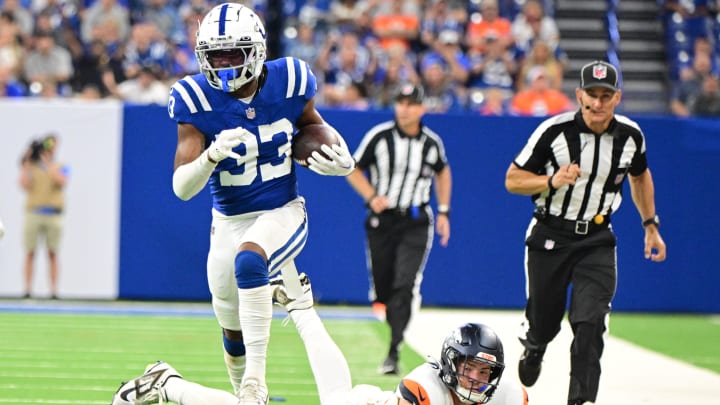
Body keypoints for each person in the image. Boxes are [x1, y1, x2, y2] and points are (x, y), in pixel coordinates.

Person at [167, 3, 355, 404]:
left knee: (250, 260)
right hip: (227, 220)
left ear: (255, 50)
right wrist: (210, 157)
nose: (223, 65)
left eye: (233, 54)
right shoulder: (195, 98)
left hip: (281, 210)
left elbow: (312, 125)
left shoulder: (289, 80)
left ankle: (256, 383)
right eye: (215, 56)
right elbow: (182, 188)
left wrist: (342, 155)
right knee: (230, 328)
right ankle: (244, 395)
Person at [504, 60, 667, 405]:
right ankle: (535, 345)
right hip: (551, 234)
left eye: (605, 95)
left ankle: (581, 400)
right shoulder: (554, 131)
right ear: (579, 95)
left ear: (617, 98)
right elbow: (512, 179)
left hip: (596, 238)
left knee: (591, 321)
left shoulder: (630, 136)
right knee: (545, 321)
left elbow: (639, 176)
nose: (598, 103)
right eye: (591, 95)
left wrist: (650, 225)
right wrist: (551, 180)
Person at [112, 274, 528, 405]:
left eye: (483, 370)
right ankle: (168, 384)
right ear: (450, 364)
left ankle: (301, 307)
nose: (476, 378)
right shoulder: (425, 387)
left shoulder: (510, 394)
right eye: (469, 367)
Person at [346, 83, 452, 375]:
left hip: (416, 221)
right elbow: (353, 167)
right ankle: (390, 311)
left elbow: (443, 171)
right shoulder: (379, 136)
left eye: (410, 103)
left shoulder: (431, 143)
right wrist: (371, 196)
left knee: (404, 284)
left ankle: (394, 350)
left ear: (421, 108)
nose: (404, 108)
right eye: (400, 102)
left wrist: (443, 210)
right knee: (384, 288)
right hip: (384, 222)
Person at [19, 134, 69, 299]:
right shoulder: (32, 166)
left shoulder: (61, 165)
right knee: (30, 252)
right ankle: (27, 290)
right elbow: (24, 185)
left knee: (53, 252)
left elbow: (62, 181)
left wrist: (47, 163)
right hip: (34, 212)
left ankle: (54, 291)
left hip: (53, 214)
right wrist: (26, 163)